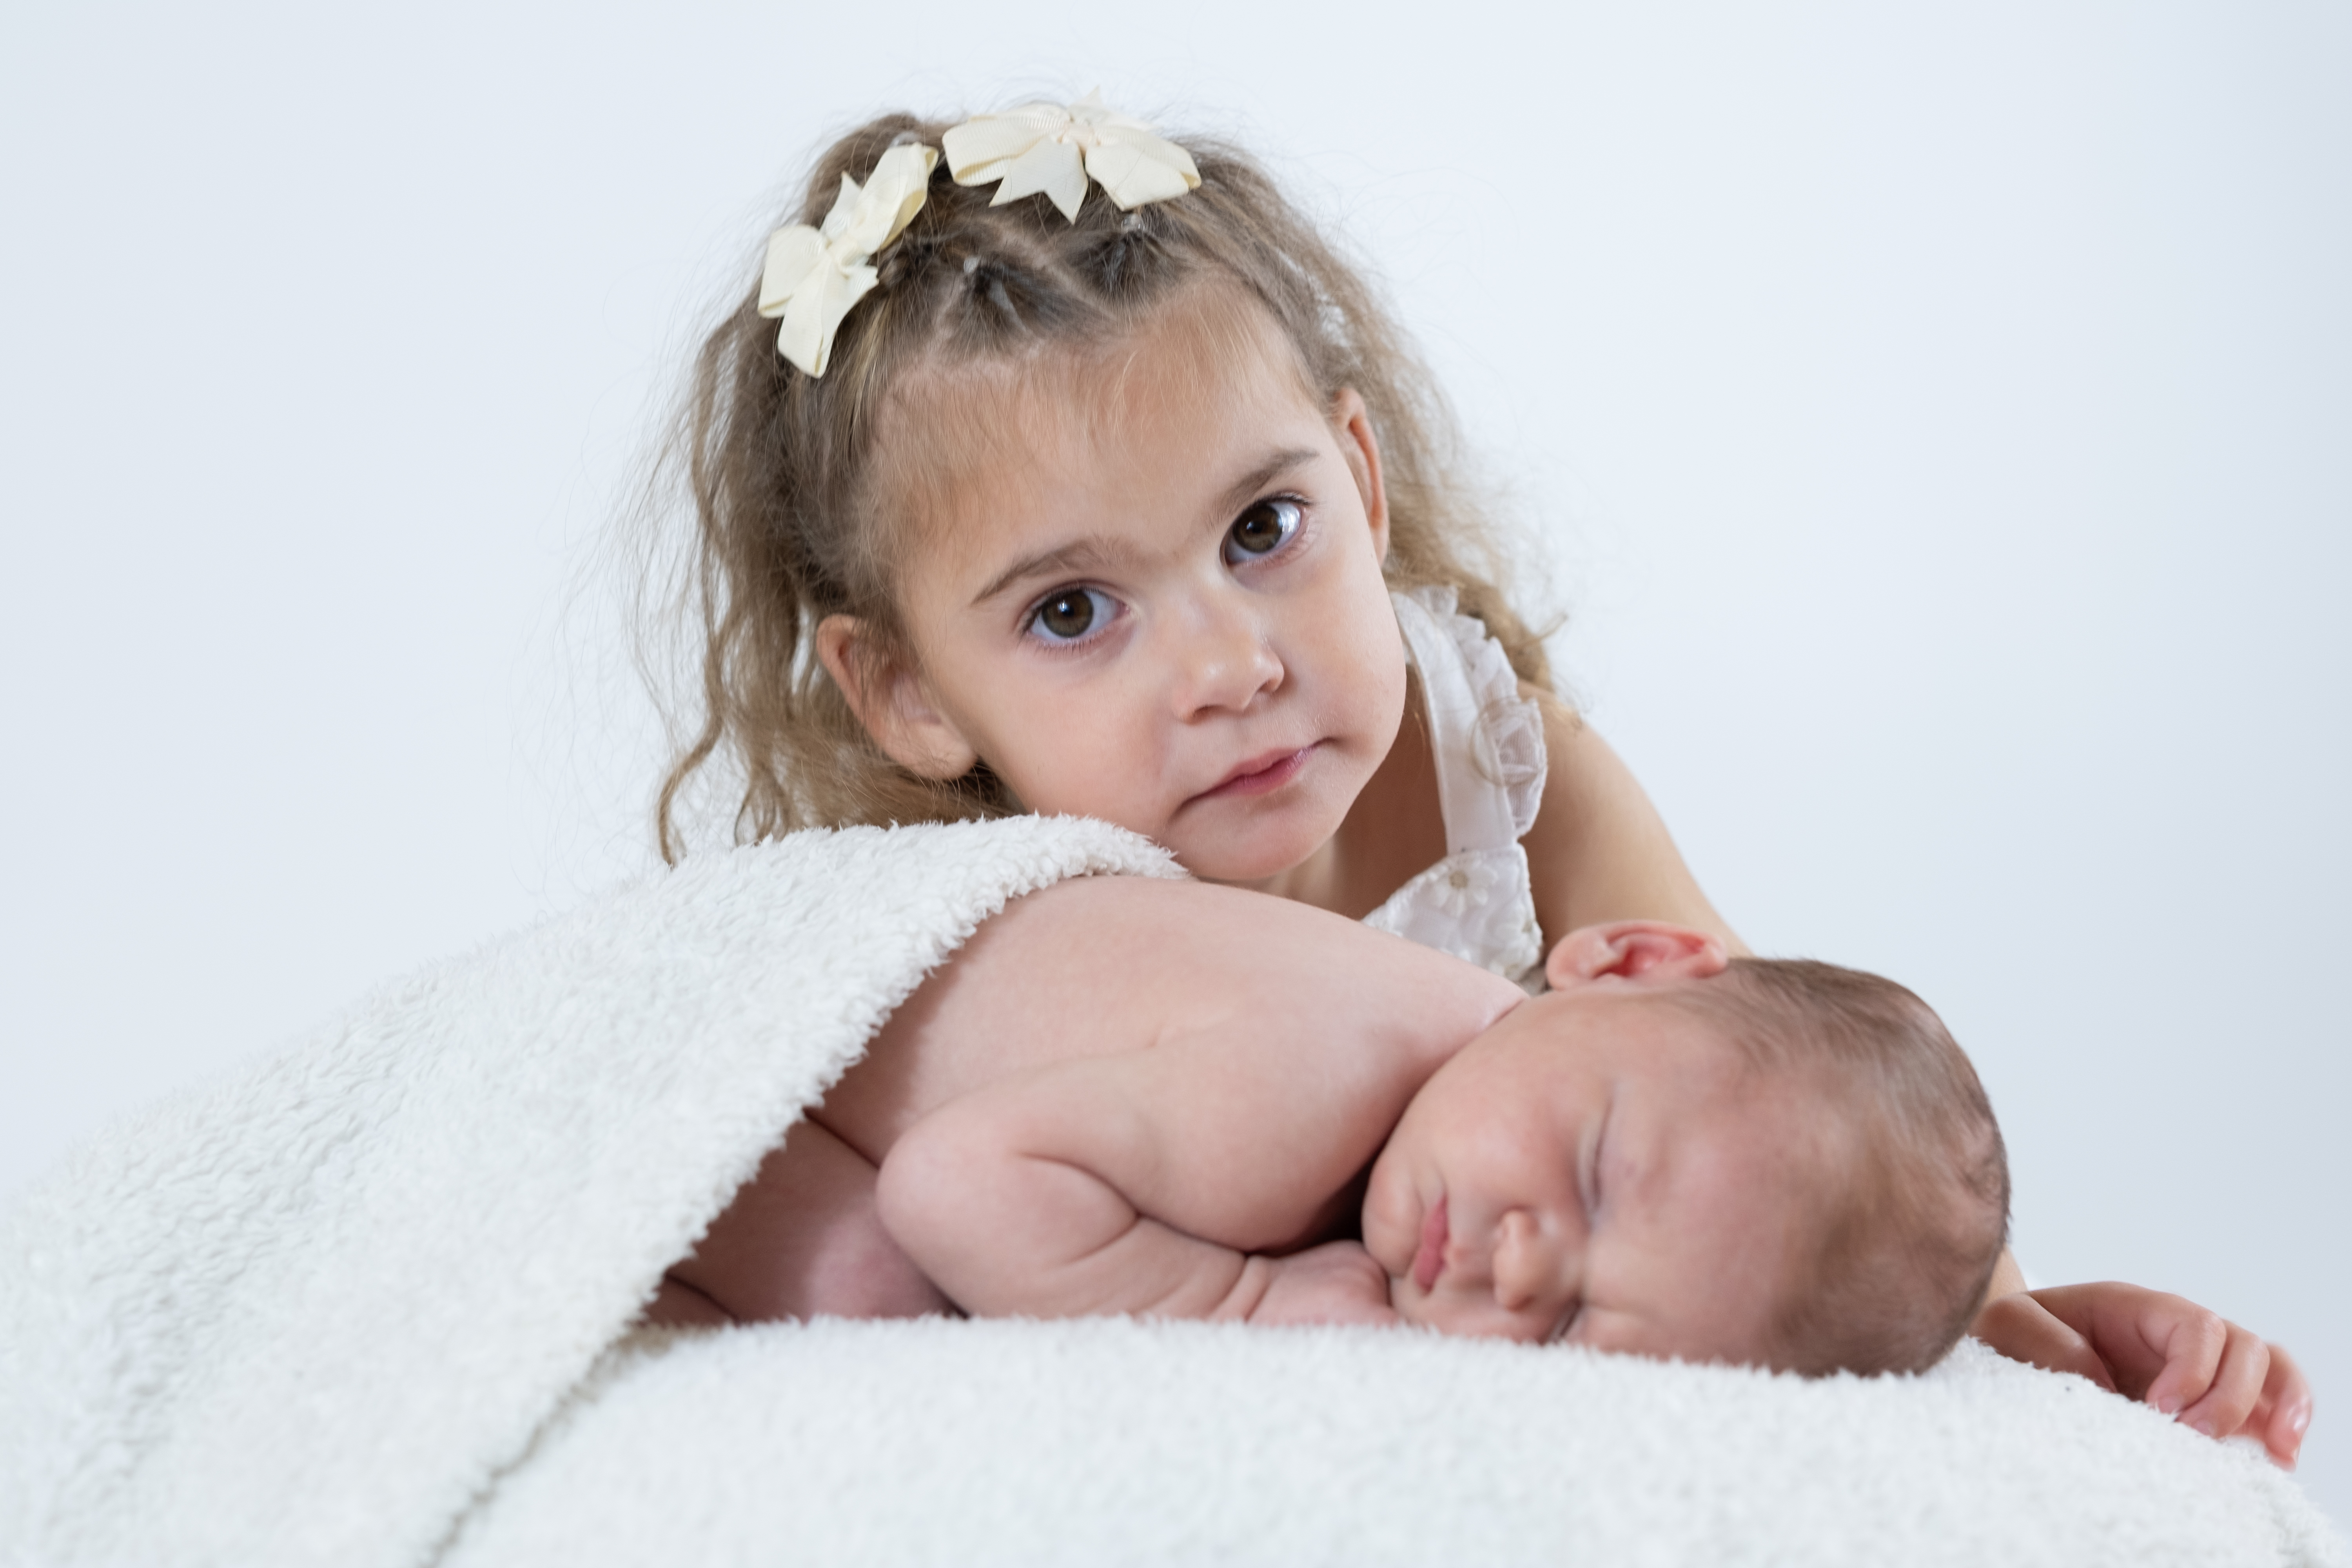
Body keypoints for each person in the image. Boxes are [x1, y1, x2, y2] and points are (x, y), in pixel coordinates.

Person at [641, 94, 2310, 1462]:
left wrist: (2010, 1327)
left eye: (1262, 529)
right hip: (903, 1178)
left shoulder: (1507, 776)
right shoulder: (996, 895)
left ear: (1362, 486)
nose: (1231, 665)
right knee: (868, 1284)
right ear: (913, 694)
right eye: (1075, 612)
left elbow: (1774, 1098)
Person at [655, 883, 2008, 1381]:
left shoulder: (1460, 1083)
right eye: (1594, 1175)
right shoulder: (1305, 1084)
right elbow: (956, 1180)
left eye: (1574, 1333)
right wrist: (1228, 1301)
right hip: (732, 1068)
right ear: (1627, 961)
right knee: (874, 1297)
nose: (1526, 1271)